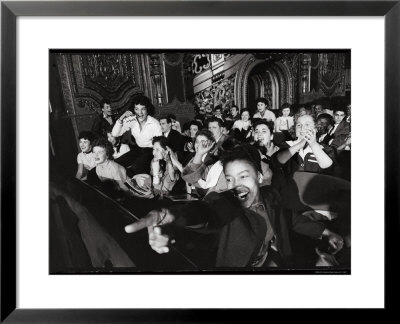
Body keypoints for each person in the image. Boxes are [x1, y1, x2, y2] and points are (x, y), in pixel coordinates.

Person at [125, 144, 344, 268]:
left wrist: (326, 231)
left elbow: (290, 218)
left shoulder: (270, 196)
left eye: (243, 176)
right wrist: (170, 217)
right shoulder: (227, 202)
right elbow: (206, 213)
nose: (236, 185)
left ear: (259, 177)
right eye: (229, 179)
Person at [112, 95, 162, 174]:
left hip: (151, 151)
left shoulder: (154, 123)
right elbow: (115, 133)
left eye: (143, 109)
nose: (140, 113)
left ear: (147, 110)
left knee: (137, 167)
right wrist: (121, 118)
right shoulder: (132, 120)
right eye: (137, 109)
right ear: (134, 110)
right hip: (138, 149)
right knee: (116, 163)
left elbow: (160, 144)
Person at [181, 129, 227, 198]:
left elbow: (195, 179)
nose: (198, 145)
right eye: (197, 142)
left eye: (202, 142)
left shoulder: (212, 161)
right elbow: (188, 178)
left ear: (211, 144)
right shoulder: (192, 157)